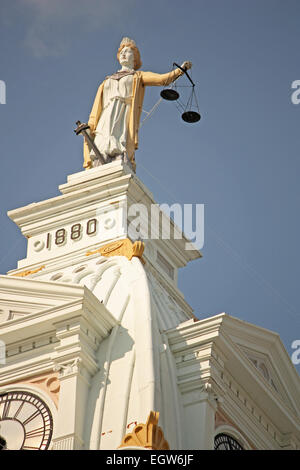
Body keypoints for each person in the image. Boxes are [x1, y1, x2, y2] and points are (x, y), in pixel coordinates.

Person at [83, 37, 192, 171]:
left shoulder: (138, 76)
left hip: (125, 114)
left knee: (119, 140)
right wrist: (90, 125)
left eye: (128, 51)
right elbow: (96, 109)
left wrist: (180, 70)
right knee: (102, 141)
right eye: (121, 51)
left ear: (135, 58)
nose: (123, 53)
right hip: (106, 116)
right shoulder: (106, 81)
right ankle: (100, 161)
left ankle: (118, 157)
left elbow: (162, 79)